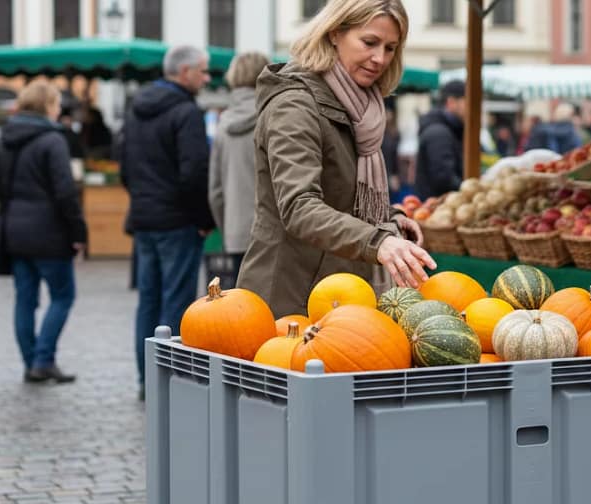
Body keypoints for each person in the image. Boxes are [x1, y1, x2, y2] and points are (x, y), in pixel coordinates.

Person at [236, 0, 434, 317]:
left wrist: (390, 217)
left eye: (390, 48)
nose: (380, 58)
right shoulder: (295, 106)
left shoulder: (361, 107)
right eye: (369, 42)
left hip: (340, 294)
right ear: (334, 34)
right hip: (289, 297)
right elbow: (299, 206)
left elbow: (345, 195)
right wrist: (377, 240)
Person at [121, 45, 215, 399]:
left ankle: (147, 379)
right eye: (203, 72)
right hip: (177, 220)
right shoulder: (185, 112)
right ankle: (167, 381)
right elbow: (195, 172)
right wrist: (204, 219)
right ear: (186, 71)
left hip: (145, 218)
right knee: (175, 300)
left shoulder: (136, 110)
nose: (206, 79)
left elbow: (126, 166)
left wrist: (142, 202)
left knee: (148, 300)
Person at [0, 81, 87, 383]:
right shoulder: (52, 139)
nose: (59, 109)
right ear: (47, 106)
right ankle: (43, 360)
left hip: (15, 229)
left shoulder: (5, 139)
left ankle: (30, 362)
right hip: (50, 232)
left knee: (25, 300)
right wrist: (78, 232)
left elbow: (0, 188)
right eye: (57, 103)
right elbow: (65, 192)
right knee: (63, 295)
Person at [208, 50, 270, 288]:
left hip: (236, 231)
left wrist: (228, 230)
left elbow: (215, 189)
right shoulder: (275, 116)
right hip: (274, 234)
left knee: (241, 309)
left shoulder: (224, 124)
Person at [414, 79, 465, 200]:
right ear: (451, 102)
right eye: (467, 101)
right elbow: (444, 178)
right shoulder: (439, 133)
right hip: (436, 208)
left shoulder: (447, 129)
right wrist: (468, 189)